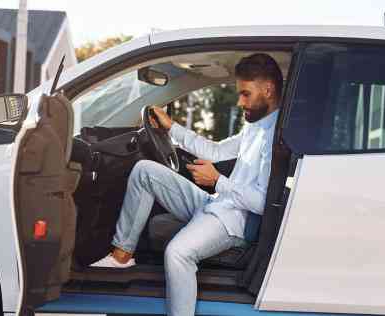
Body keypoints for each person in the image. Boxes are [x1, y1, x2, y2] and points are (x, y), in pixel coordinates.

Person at [91, 53, 283, 316]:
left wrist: (217, 181)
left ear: (268, 90)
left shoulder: (275, 138)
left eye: (245, 94)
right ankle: (122, 255)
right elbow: (215, 152)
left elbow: (263, 202)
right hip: (217, 204)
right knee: (144, 171)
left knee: (178, 254)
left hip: (235, 222)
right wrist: (172, 128)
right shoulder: (256, 125)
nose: (240, 102)